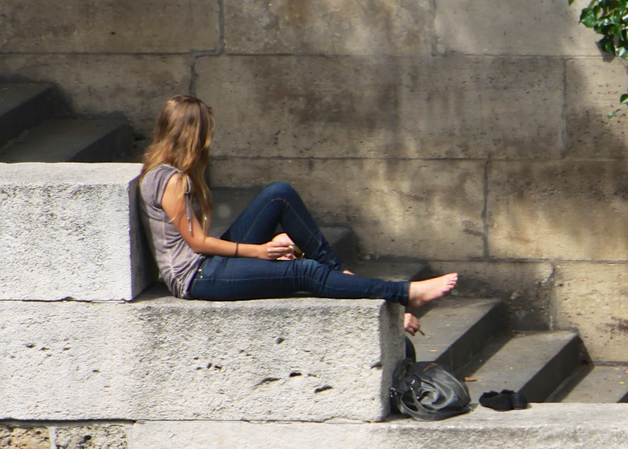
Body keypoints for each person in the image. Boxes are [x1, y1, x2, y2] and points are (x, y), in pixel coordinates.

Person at [137, 95, 456, 326]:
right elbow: (197, 244)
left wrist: (259, 250)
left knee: (279, 195)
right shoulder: (171, 180)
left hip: (208, 264)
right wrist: (259, 252)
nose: (209, 140)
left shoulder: (168, 173)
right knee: (306, 271)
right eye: (206, 133)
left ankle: (341, 274)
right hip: (196, 277)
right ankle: (403, 294)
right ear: (192, 135)